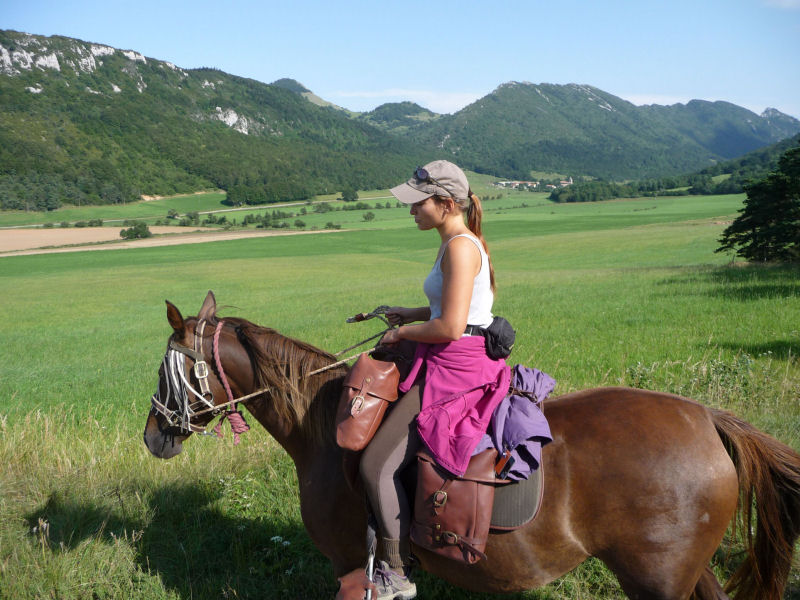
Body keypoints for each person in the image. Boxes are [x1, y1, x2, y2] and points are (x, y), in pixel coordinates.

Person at [360, 160, 510, 600]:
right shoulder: (456, 243)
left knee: (375, 466)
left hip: (455, 366)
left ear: (445, 204)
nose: (411, 212)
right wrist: (411, 312)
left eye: (417, 204)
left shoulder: (461, 247)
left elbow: (451, 327)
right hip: (450, 355)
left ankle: (394, 570)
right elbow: (452, 308)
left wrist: (401, 333)